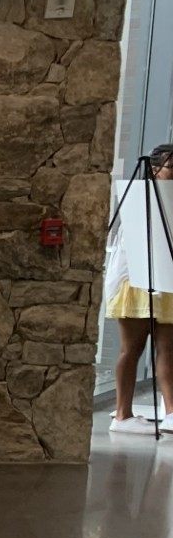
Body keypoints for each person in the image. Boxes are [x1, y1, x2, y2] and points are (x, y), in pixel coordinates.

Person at [103, 143, 173, 434]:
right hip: (136, 283)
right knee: (131, 349)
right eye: (172, 168)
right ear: (154, 170)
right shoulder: (138, 200)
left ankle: (171, 412)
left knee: (168, 348)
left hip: (167, 283)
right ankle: (123, 414)